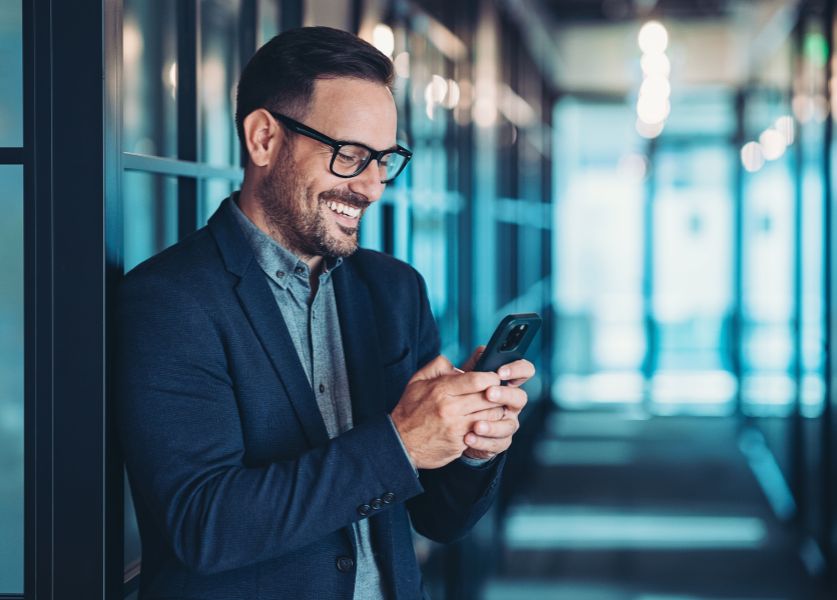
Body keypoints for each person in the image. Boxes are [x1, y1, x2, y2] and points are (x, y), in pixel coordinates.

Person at [116, 26, 534, 600]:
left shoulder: (395, 290)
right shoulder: (169, 300)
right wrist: (403, 442)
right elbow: (204, 526)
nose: (371, 187)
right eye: (350, 155)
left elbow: (439, 519)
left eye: (384, 160)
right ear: (263, 138)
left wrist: (471, 445)